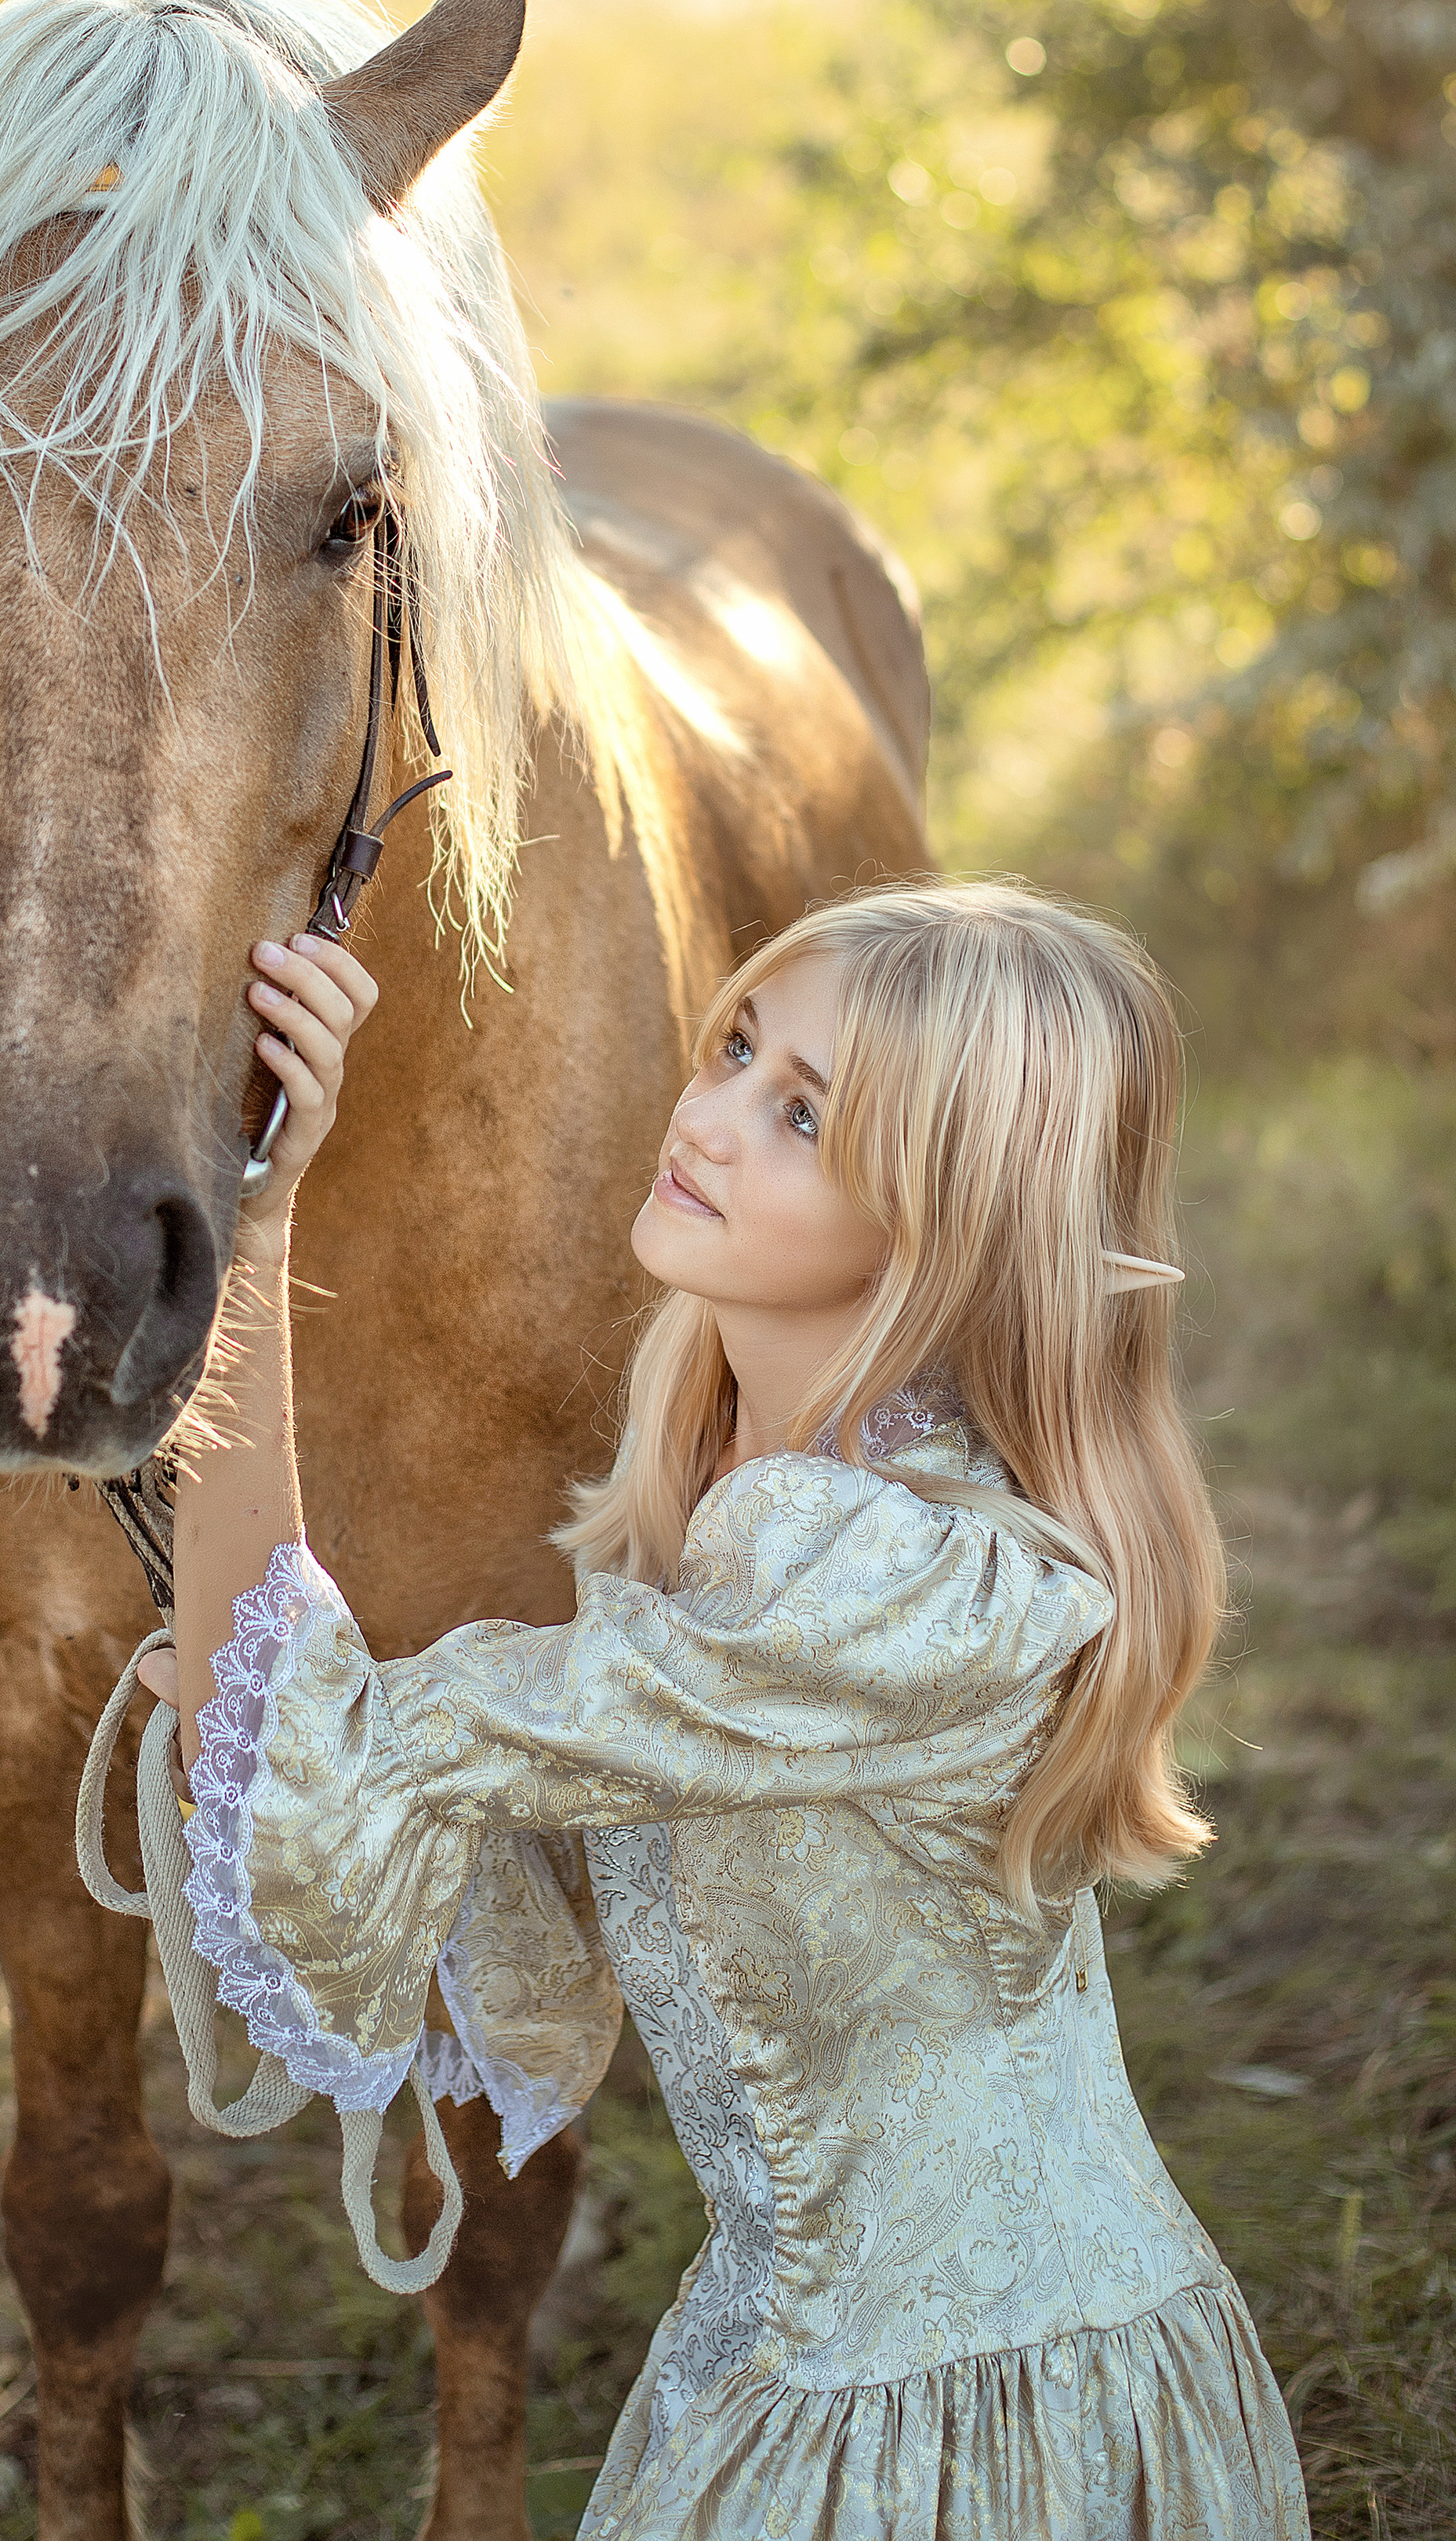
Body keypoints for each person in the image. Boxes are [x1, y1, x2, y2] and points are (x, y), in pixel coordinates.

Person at [128, 880, 1309, 2539]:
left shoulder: (869, 1575)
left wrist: (255, 1228)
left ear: (944, 1216)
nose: (710, 1116)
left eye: (803, 1113)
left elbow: (319, 1756)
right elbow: (361, 1774)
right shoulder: (786, 1505)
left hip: (969, 2419)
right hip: (805, 2349)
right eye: (736, 1045)